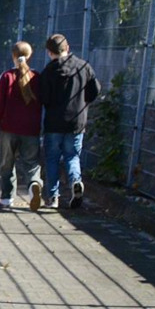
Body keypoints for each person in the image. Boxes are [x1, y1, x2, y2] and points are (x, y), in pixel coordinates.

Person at [34, 33, 100, 209]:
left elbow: (43, 97)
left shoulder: (48, 71)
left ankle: (52, 197)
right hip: (77, 121)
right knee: (72, 156)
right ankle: (75, 182)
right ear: (67, 48)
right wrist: (83, 102)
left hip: (54, 122)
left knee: (52, 159)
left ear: (49, 52)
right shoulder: (83, 66)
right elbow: (94, 90)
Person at [0, 41, 43, 211]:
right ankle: (34, 185)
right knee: (31, 162)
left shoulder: (6, 77)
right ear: (30, 56)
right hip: (31, 129)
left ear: (13, 56)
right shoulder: (37, 77)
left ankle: (7, 197)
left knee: (7, 163)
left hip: (8, 128)